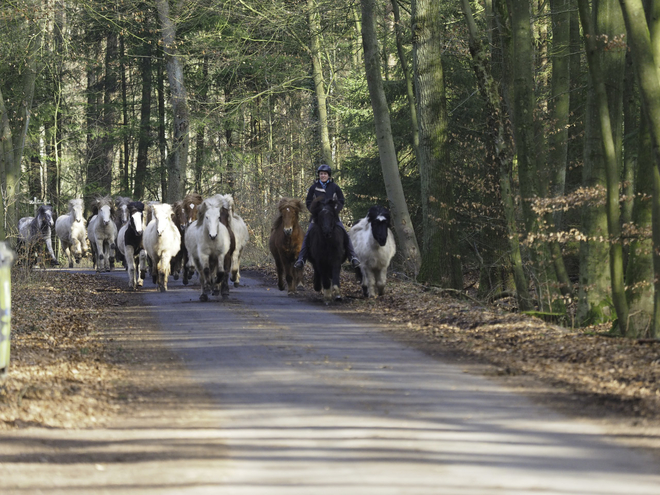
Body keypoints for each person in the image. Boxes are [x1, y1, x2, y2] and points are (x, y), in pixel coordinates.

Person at [294, 164, 361, 270]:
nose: (323, 176)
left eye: (325, 174)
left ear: (329, 176)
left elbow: (341, 200)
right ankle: (301, 259)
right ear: (319, 175)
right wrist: (314, 211)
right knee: (308, 235)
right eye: (321, 174)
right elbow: (308, 202)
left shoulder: (335, 187)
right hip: (317, 218)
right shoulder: (313, 188)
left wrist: (335, 211)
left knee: (345, 234)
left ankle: (353, 257)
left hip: (332, 217)